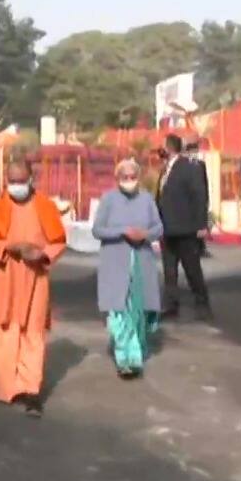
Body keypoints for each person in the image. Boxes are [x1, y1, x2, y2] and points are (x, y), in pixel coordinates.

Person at [0, 160, 67, 417]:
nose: (16, 186)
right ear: (6, 180)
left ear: (31, 179)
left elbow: (58, 240)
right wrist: (10, 248)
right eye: (12, 182)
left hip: (35, 276)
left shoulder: (45, 206)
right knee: (1, 326)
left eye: (21, 181)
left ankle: (30, 391)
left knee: (33, 331)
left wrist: (42, 254)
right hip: (6, 274)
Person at [92, 159, 164, 377]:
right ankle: (124, 359)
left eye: (133, 177)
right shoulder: (108, 200)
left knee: (139, 311)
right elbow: (97, 230)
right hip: (115, 263)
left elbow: (159, 227)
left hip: (142, 263)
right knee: (119, 313)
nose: (129, 181)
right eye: (125, 177)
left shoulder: (147, 200)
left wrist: (145, 235)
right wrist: (122, 232)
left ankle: (137, 355)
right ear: (118, 179)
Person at [156, 135, 212, 321]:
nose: (159, 150)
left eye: (162, 147)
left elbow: (199, 195)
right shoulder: (165, 169)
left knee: (192, 268)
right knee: (169, 271)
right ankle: (171, 305)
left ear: (169, 147)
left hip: (185, 228)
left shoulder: (189, 168)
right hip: (167, 228)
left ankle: (202, 303)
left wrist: (201, 224)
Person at [183, 140, 213, 259]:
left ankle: (202, 247)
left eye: (196, 151)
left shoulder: (201, 164)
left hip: (200, 199)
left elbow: (204, 182)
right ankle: (190, 248)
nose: (194, 153)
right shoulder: (184, 165)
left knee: (201, 222)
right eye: (192, 151)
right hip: (188, 200)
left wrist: (206, 198)